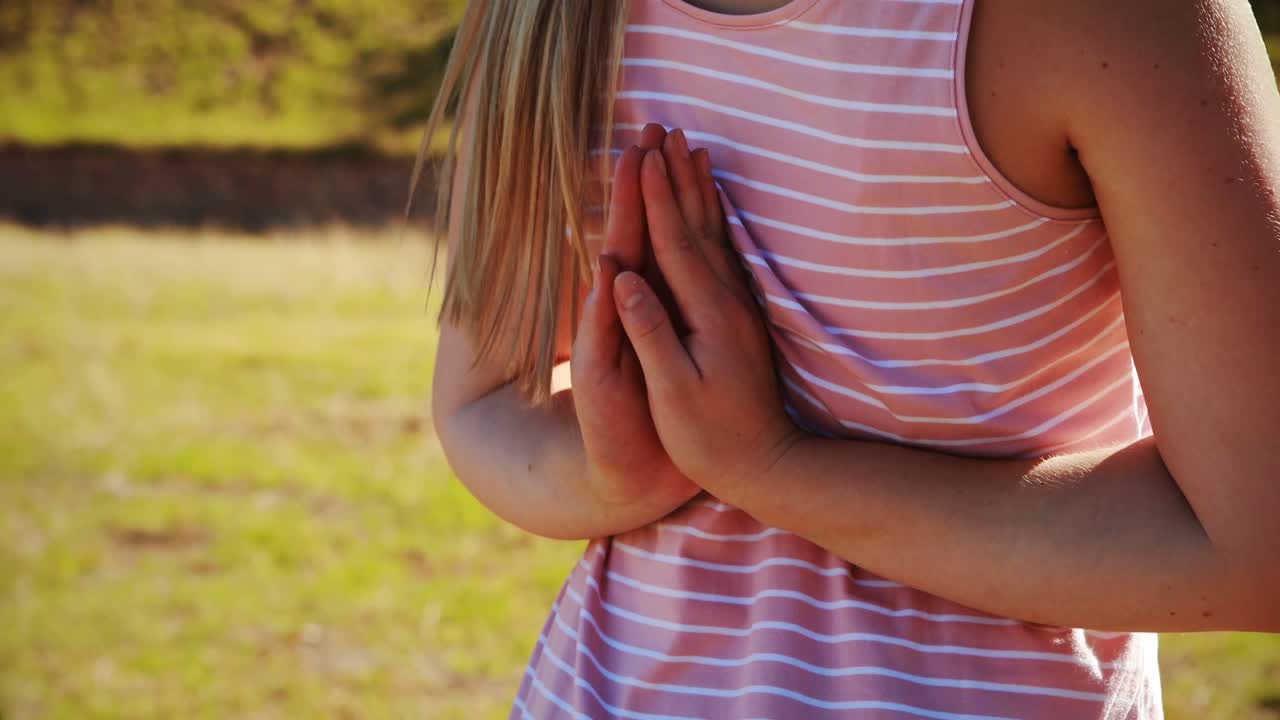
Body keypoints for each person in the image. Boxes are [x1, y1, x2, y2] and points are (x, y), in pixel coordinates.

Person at [426, 0, 1280, 717]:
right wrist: (617, 473)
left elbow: (1256, 550)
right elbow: (479, 400)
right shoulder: (545, 19)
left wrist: (772, 468)